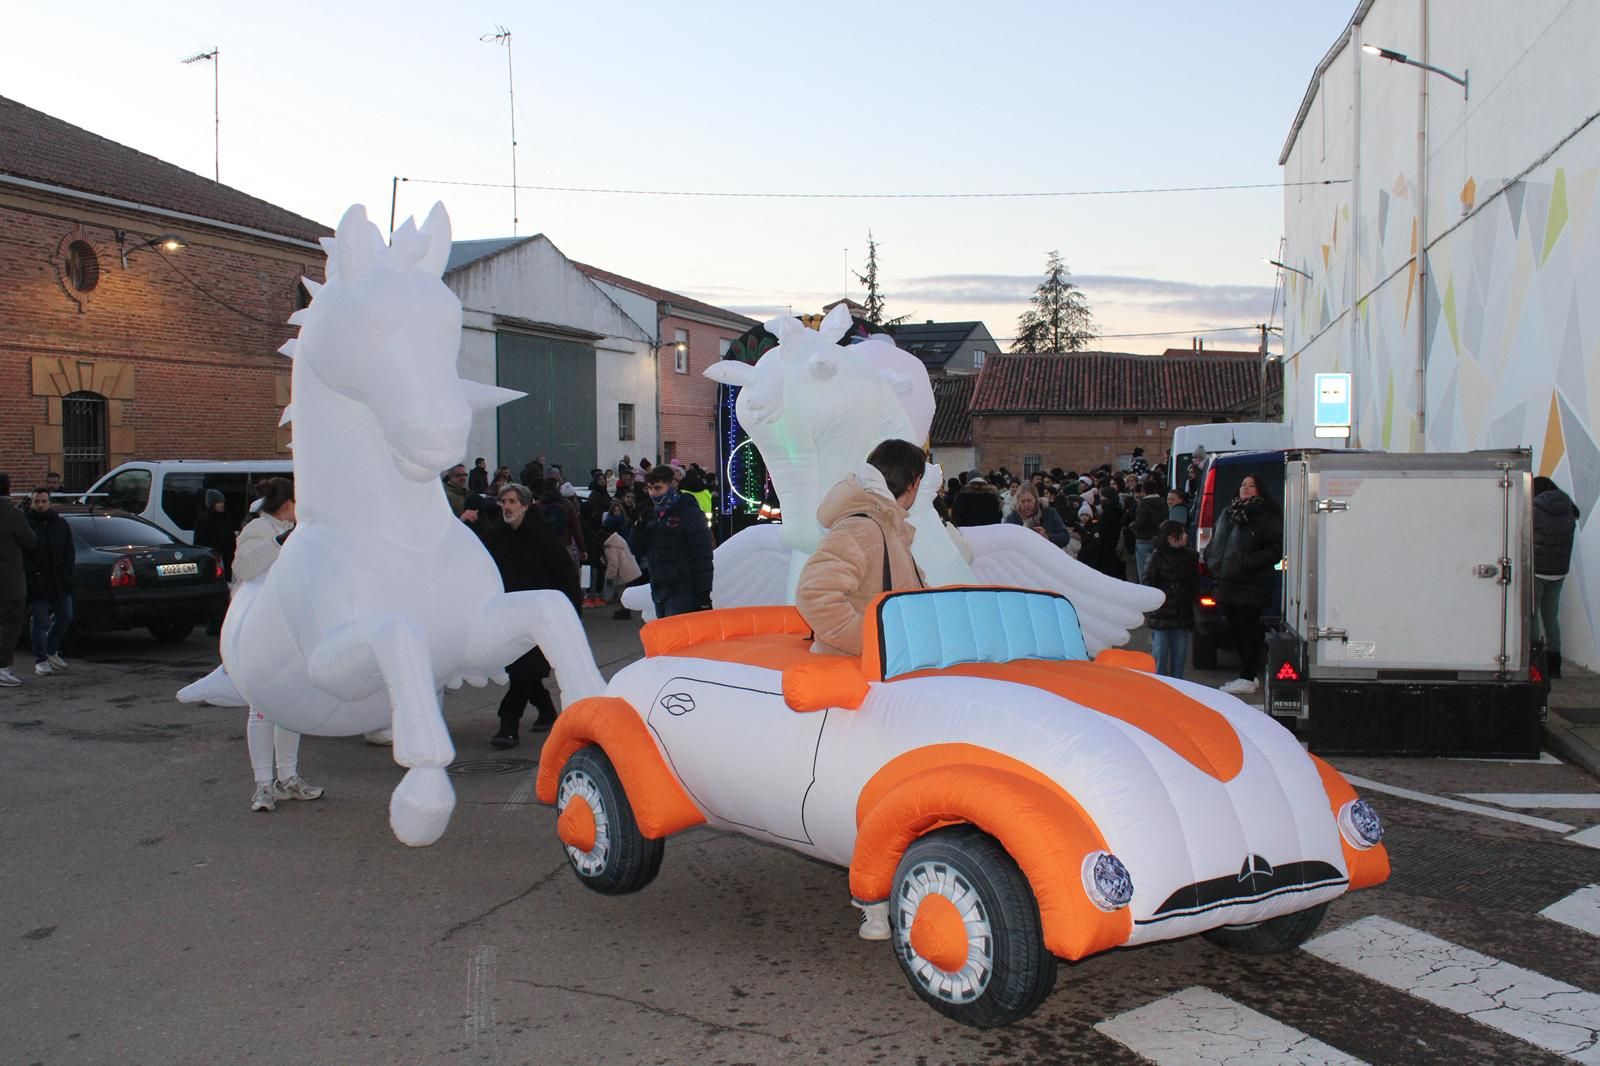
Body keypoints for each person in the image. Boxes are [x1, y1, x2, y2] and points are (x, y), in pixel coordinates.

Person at [232, 478, 324, 812]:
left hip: (290, 631)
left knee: (288, 709)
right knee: (262, 708)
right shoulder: (259, 528)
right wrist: (280, 541)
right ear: (287, 504)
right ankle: (262, 786)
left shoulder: (299, 532)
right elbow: (243, 568)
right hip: (260, 634)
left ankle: (288, 778)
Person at [796, 439, 928, 657]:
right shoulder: (861, 527)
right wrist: (871, 641)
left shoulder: (888, 525)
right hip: (856, 671)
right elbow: (814, 593)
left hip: (883, 667)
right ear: (914, 483)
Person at [482, 483, 581, 747]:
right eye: (503, 502)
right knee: (523, 668)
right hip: (507, 613)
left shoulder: (542, 536)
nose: (507, 507)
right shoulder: (496, 537)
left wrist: (571, 612)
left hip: (539, 616)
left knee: (523, 670)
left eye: (512, 502)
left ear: (525, 505)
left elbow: (565, 575)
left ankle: (508, 722)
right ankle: (547, 711)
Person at [1203, 473, 1282, 696]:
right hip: (1227, 581)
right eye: (1243, 484)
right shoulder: (1230, 513)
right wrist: (1211, 557)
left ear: (1260, 490)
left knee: (1248, 630)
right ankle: (1246, 675)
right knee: (1235, 630)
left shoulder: (1266, 515)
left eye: (1251, 485)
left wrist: (1248, 561)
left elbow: (1275, 547)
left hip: (1251, 583)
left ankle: (1247, 676)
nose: (1245, 488)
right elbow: (1217, 540)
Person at [634, 464, 714, 618]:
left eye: (658, 488)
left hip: (682, 587)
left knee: (677, 636)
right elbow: (636, 549)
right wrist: (639, 525)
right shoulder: (651, 515)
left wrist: (704, 594)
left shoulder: (689, 513)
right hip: (659, 585)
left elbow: (702, 555)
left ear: (672, 486)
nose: (653, 493)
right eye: (650, 488)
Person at [1532, 476, 1580, 679]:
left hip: (1536, 570)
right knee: (1551, 616)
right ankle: (1554, 665)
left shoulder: (1535, 507)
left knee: (1531, 616)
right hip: (1559, 571)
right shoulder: (1568, 506)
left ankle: (1534, 662)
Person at [24, 488, 75, 676]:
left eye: (43, 501)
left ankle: (51, 650)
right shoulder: (27, 524)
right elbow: (24, 553)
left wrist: (68, 574)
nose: (40, 505)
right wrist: (32, 575)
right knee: (40, 622)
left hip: (59, 580)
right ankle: (41, 660)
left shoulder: (60, 524)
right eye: (37, 501)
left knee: (66, 616)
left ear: (49, 502)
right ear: (32, 503)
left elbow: (69, 551)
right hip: (38, 582)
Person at [1142, 520, 1198, 679]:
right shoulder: (1156, 556)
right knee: (1160, 655)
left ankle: (1177, 687)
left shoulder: (1190, 557)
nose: (1186, 536)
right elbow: (1148, 583)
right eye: (1182, 533)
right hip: (1162, 614)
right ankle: (1160, 687)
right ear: (1172, 537)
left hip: (1181, 613)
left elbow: (1194, 584)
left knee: (1179, 657)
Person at [0, 474, 37, 689]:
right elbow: (30, 542)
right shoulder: (13, 514)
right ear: (8, 489)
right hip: (9, 579)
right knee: (11, 622)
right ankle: (2, 666)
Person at [1004, 482, 1071, 548]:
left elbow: (1065, 537)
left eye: (1029, 500)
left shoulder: (1049, 513)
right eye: (1023, 501)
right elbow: (1005, 540)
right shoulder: (1012, 518)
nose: (1026, 504)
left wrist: (1046, 537)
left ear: (1036, 499)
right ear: (1018, 501)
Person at [1130, 480, 1168, 581]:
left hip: (1143, 539)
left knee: (1144, 570)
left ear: (1143, 491)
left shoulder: (1144, 504)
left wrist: (1131, 525)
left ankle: (1146, 591)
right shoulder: (1163, 502)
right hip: (1159, 538)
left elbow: (1140, 523)